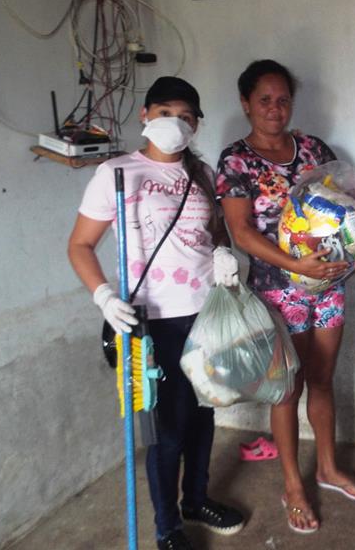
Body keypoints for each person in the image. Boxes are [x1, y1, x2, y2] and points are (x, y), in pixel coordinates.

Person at [67, 76, 245, 550]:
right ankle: (168, 527)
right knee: (167, 429)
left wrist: (224, 255)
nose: (175, 124)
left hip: (205, 314)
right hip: (152, 320)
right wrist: (103, 294)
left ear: (196, 125)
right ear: (145, 115)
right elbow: (81, 245)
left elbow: (215, 235)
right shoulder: (118, 173)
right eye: (165, 112)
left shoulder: (202, 176)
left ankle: (196, 499)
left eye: (186, 117)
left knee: (204, 415)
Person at [215, 59, 355, 534]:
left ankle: (327, 468)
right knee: (286, 387)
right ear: (246, 104)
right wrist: (294, 265)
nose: (274, 109)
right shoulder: (236, 160)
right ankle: (293, 484)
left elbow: (346, 209)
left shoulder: (313, 149)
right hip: (275, 290)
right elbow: (241, 232)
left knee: (323, 378)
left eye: (282, 99)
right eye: (264, 100)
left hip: (328, 284)